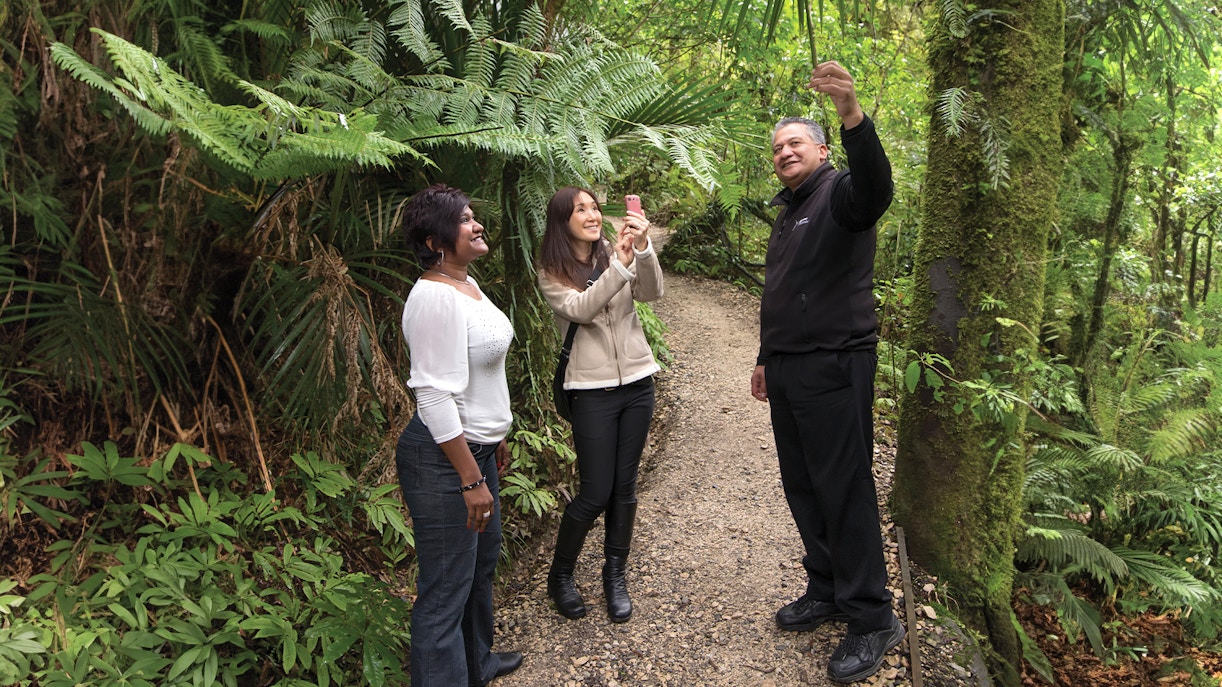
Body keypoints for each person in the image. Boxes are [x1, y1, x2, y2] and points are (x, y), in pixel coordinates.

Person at [750, 61, 905, 683]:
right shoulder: (789, 212)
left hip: (836, 365)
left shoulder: (840, 193)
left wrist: (851, 114)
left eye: (795, 143)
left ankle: (872, 617)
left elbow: (876, 188)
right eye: (777, 147)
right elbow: (782, 293)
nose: (785, 152)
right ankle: (829, 587)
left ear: (820, 149)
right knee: (803, 485)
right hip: (790, 369)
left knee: (843, 488)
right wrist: (765, 357)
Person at [395, 184, 522, 687]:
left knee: (480, 563)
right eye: (465, 220)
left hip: (478, 449)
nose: (477, 225)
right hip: (444, 459)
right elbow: (432, 396)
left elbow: (477, 371)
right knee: (445, 589)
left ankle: (477, 664)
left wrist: (495, 435)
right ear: (435, 241)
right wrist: (471, 479)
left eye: (474, 217)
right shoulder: (433, 298)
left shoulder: (466, 284)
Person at [537, 187, 663, 623]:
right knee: (594, 492)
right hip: (591, 391)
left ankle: (615, 575)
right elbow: (583, 309)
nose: (592, 215)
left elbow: (651, 293)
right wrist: (619, 267)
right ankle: (561, 576)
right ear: (562, 221)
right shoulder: (551, 272)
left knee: (624, 487)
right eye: (581, 210)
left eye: (594, 207)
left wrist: (642, 249)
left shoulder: (617, 252)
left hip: (637, 384)